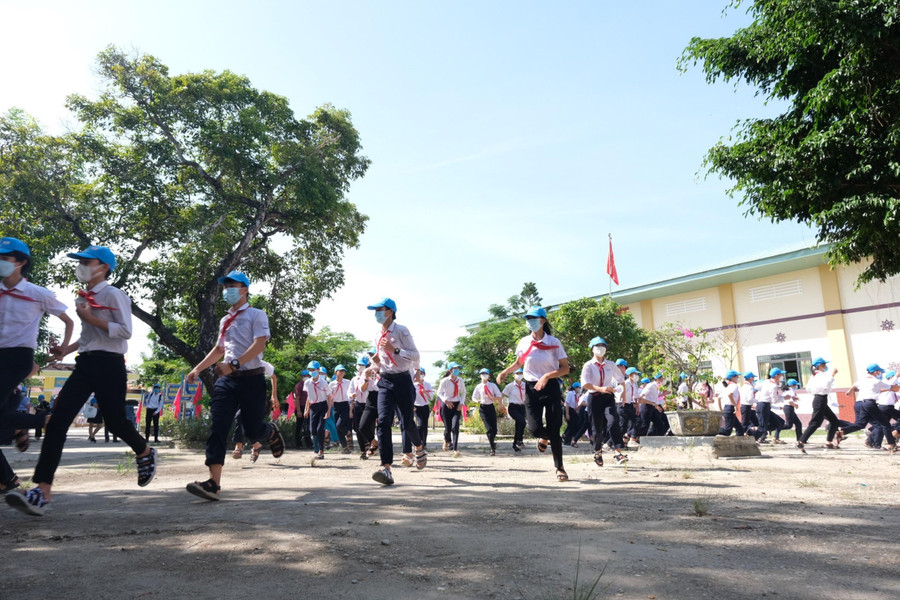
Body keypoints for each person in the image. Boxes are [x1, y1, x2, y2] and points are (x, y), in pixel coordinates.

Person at [7, 244, 154, 516]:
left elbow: (125, 332)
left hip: (110, 364)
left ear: (104, 267)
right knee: (57, 422)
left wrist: (89, 317)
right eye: (80, 261)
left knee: (115, 421)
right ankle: (41, 491)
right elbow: (88, 338)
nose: (82, 266)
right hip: (85, 363)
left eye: (88, 261)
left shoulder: (114, 294)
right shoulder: (83, 296)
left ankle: (144, 451)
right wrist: (66, 350)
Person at [183, 271, 285, 501]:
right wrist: (197, 369)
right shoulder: (224, 320)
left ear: (245, 289)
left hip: (252, 378)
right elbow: (219, 350)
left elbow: (260, 345)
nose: (227, 289)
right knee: (218, 426)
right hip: (227, 382)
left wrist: (235, 364)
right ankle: (213, 484)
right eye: (225, 286)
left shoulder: (257, 315)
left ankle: (268, 431)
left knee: (252, 429)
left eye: (233, 285)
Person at [497, 306, 570, 482]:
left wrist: (546, 376)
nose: (530, 321)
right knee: (534, 428)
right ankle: (544, 437)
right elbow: (518, 362)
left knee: (555, 427)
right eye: (528, 318)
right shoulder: (524, 342)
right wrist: (505, 372)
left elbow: (565, 368)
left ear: (543, 321)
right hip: (531, 388)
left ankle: (559, 467)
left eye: (534, 318)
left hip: (550, 386)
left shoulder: (554, 342)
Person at [364, 298, 427, 485]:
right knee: (382, 422)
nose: (376, 313)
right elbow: (382, 360)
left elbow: (415, 355)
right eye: (375, 310)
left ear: (390, 311)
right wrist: (373, 367)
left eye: (379, 310)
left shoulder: (401, 331)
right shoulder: (377, 334)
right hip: (385, 380)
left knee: (406, 421)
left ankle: (419, 447)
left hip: (403, 380)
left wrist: (396, 349)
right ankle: (386, 467)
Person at [580, 337, 628, 467]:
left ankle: (618, 453)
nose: (600, 348)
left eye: (603, 345)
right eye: (597, 345)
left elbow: (621, 378)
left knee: (613, 422)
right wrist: (600, 388)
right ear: (592, 349)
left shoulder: (611, 364)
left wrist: (623, 394)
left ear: (606, 349)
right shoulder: (588, 365)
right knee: (597, 428)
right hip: (594, 397)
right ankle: (598, 451)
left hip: (608, 397)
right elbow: (585, 383)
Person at [845, 364, 900, 453]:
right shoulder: (880, 381)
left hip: (869, 405)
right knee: (884, 425)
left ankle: (870, 439)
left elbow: (855, 385)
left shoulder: (866, 380)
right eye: (879, 371)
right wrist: (897, 376)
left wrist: (850, 391)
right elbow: (891, 385)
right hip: (879, 406)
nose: (880, 373)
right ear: (874, 372)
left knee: (876, 424)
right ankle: (892, 440)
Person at [232, 360, 277, 462]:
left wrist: (274, 395)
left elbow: (273, 377)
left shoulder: (261, 363)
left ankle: (269, 430)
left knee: (243, 419)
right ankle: (254, 445)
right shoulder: (237, 363)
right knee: (240, 419)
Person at [798, 358, 846, 450]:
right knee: (815, 423)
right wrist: (833, 374)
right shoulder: (820, 375)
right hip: (820, 399)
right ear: (819, 365)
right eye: (824, 364)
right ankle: (801, 441)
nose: (825, 366)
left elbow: (808, 388)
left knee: (834, 421)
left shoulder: (814, 375)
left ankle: (829, 442)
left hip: (821, 399)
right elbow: (826, 383)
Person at [303, 361, 331, 464]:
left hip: (323, 406)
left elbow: (329, 397)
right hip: (313, 407)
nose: (312, 372)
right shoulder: (307, 383)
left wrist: (328, 410)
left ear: (318, 370)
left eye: (313, 370)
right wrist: (307, 409)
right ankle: (326, 434)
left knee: (319, 429)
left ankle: (321, 451)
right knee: (313, 430)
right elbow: (308, 397)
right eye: (310, 370)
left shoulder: (324, 383)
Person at [437, 362, 465, 457]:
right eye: (455, 368)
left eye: (458, 368)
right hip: (446, 405)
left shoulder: (460, 380)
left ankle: (455, 449)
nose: (457, 370)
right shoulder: (444, 381)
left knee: (455, 426)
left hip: (457, 405)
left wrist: (461, 403)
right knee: (448, 428)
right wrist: (446, 401)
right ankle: (446, 440)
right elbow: (439, 393)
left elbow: (463, 392)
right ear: (450, 370)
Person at [472, 368, 502, 455]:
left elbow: (499, 396)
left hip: (491, 407)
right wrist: (476, 401)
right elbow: (474, 397)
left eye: (486, 374)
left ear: (489, 376)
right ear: (480, 376)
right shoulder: (478, 386)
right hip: (483, 408)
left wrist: (494, 398)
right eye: (482, 374)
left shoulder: (492, 385)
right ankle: (492, 448)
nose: (484, 375)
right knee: (489, 429)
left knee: (494, 430)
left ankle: (492, 442)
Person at [868, 370, 900, 449]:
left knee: (883, 425)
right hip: (887, 407)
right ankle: (895, 432)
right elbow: (893, 379)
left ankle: (871, 441)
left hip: (883, 407)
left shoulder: (887, 385)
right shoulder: (888, 383)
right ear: (891, 377)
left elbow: (896, 397)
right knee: (885, 425)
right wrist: (897, 374)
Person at [755, 368, 785, 443]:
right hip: (763, 405)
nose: (782, 376)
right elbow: (774, 400)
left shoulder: (766, 382)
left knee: (778, 423)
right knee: (762, 428)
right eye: (780, 375)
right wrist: (783, 398)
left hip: (765, 405)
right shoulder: (773, 386)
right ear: (776, 376)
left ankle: (761, 434)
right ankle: (751, 438)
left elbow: (756, 388)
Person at [501, 368, 527, 452]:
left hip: (522, 407)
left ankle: (515, 443)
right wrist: (500, 405)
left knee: (519, 425)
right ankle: (519, 440)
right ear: (513, 375)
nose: (519, 375)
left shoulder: (525, 385)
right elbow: (502, 395)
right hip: (513, 407)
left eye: (521, 373)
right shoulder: (510, 386)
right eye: (517, 373)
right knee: (522, 421)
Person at [329, 365, 352, 454]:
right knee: (337, 428)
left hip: (345, 405)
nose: (342, 372)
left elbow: (350, 392)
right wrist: (329, 408)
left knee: (339, 425)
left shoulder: (347, 382)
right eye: (340, 371)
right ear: (336, 372)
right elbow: (330, 397)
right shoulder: (331, 384)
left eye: (343, 371)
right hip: (336, 406)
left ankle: (348, 433)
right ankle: (345, 447)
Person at [715, 370, 745, 437]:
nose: (738, 378)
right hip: (730, 408)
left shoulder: (728, 386)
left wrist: (721, 409)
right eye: (736, 376)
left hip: (727, 408)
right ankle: (713, 431)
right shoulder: (734, 386)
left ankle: (740, 443)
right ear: (732, 378)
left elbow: (719, 398)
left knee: (740, 428)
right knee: (727, 431)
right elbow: (730, 395)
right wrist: (735, 405)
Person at [619, 367, 642, 446]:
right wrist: (622, 401)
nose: (637, 376)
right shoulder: (625, 383)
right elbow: (619, 393)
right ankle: (609, 444)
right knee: (622, 427)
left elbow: (636, 397)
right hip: (623, 405)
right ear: (630, 375)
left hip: (630, 405)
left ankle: (631, 438)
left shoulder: (633, 384)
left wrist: (637, 407)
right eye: (635, 374)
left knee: (638, 421)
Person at [412, 367, 433, 451]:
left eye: (422, 373)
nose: (420, 375)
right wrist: (412, 405)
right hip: (417, 407)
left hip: (425, 406)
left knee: (424, 426)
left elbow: (431, 397)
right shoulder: (413, 385)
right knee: (420, 425)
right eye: (418, 373)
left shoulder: (428, 385)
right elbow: (411, 396)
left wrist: (425, 392)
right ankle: (418, 443)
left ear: (424, 375)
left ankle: (424, 443)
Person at [780, 379, 804, 445]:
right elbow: (789, 401)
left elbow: (790, 398)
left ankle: (801, 439)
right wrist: (795, 405)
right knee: (788, 425)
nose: (796, 386)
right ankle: (777, 428)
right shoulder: (790, 390)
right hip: (789, 408)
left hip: (788, 408)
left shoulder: (787, 390)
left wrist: (794, 398)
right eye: (795, 385)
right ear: (792, 385)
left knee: (798, 423)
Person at [292, 370, 312, 450]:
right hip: (301, 407)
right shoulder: (299, 386)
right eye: (305, 375)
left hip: (308, 408)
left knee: (307, 426)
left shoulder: (310, 384)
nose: (306, 377)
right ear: (301, 377)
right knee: (299, 426)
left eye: (308, 375)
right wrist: (299, 410)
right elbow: (297, 399)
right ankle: (298, 443)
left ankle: (309, 443)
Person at [562, 382, 582, 447]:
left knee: (576, 424)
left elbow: (576, 405)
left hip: (573, 410)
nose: (579, 389)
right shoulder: (570, 393)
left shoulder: (577, 395)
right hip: (568, 409)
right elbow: (567, 403)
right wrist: (567, 414)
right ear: (575, 388)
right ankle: (567, 441)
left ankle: (565, 435)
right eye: (578, 388)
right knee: (571, 425)